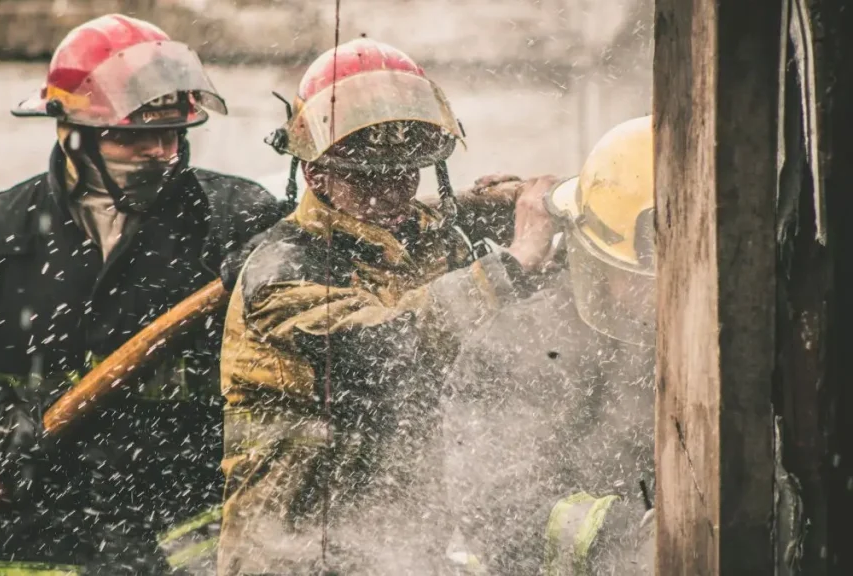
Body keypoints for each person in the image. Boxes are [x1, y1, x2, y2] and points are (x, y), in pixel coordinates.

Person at [0, 14, 286, 576]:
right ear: (71, 132)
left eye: (172, 134)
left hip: (185, 537)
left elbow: (320, 293)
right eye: (133, 135)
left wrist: (277, 263)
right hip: (37, 538)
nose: (160, 153)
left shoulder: (233, 220)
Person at [216, 37, 560, 576]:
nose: (392, 193)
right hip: (294, 557)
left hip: (405, 548)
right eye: (367, 176)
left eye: (406, 172)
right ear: (315, 173)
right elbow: (384, 352)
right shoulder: (279, 270)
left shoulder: (431, 238)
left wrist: (536, 208)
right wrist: (510, 264)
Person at [447, 115, 657, 575]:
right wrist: (633, 537)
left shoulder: (705, 336)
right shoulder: (518, 344)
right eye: (644, 278)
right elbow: (499, 511)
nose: (662, 295)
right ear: (596, 257)